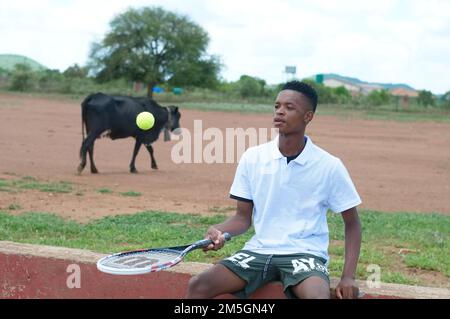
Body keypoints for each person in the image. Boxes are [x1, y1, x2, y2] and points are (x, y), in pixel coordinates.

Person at [186, 81, 362, 299]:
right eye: (277, 105)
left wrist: (348, 276)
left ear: (308, 117)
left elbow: (352, 223)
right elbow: (242, 218)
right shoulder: (253, 157)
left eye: (290, 107)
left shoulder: (329, 165)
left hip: (304, 254)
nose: (280, 111)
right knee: (198, 285)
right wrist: (220, 231)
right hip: (258, 252)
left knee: (317, 296)